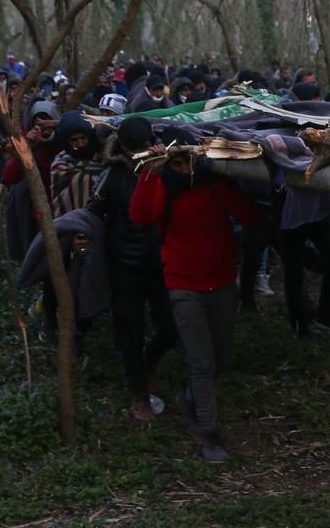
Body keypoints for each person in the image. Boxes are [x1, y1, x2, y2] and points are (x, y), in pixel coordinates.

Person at [129, 127, 257, 462]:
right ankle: (209, 434)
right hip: (184, 287)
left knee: (220, 359)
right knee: (201, 363)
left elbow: (248, 213)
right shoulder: (163, 188)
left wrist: (228, 177)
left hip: (223, 283)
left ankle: (190, 398)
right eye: (177, 162)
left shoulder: (213, 184)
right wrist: (151, 175)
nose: (185, 169)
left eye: (188, 160)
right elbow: (141, 215)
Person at [89, 117, 177, 421]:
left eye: (147, 145)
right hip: (124, 265)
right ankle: (139, 394)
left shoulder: (164, 166)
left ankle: (149, 362)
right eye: (136, 147)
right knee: (131, 330)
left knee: (170, 326)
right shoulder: (113, 174)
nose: (143, 151)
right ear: (125, 148)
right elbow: (92, 211)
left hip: (158, 262)